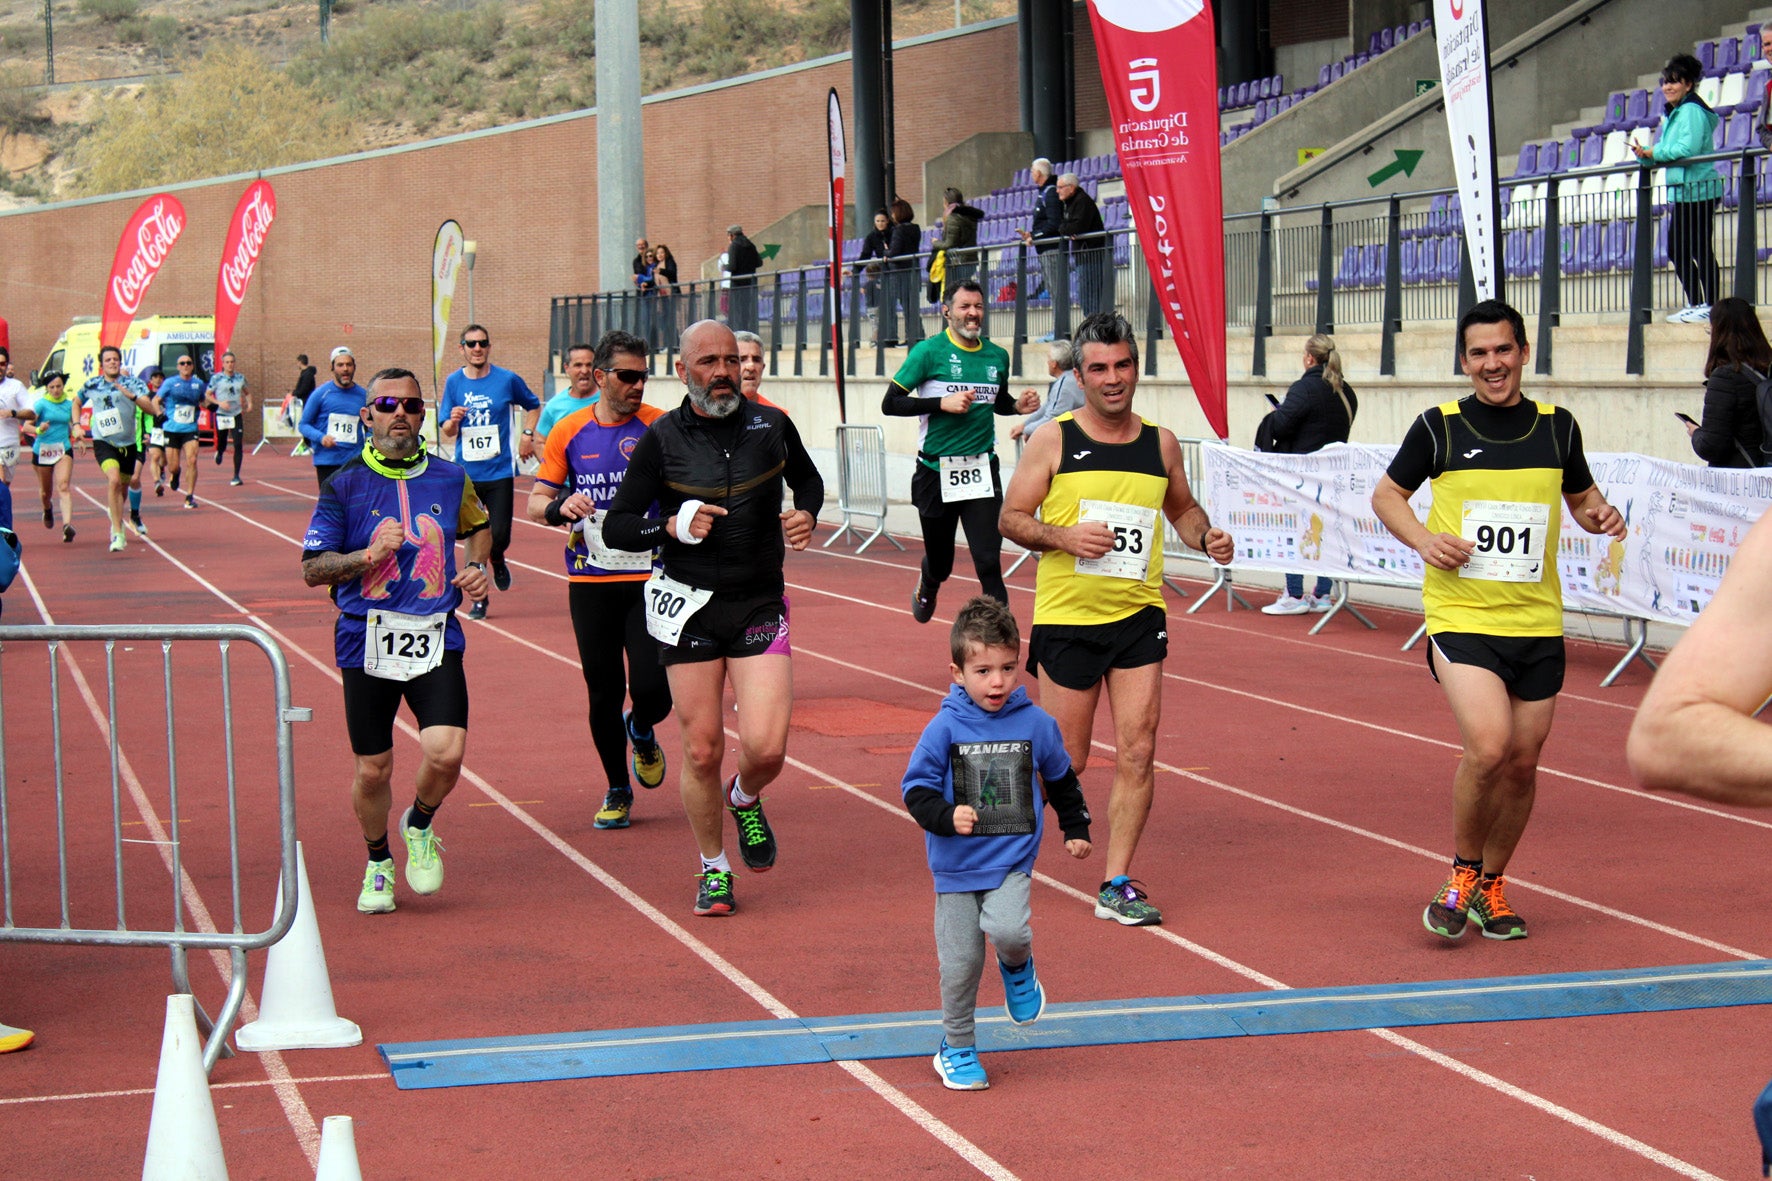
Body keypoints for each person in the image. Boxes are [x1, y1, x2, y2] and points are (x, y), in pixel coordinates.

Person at [1370, 300, 1626, 943]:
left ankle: (1492, 886)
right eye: (1479, 353)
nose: (1493, 364)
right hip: (1462, 616)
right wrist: (1426, 541)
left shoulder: (1557, 426)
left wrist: (1600, 514)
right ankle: (1460, 873)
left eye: (1503, 350)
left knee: (1521, 763)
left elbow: (1581, 497)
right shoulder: (1440, 427)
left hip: (1537, 621)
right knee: (1488, 747)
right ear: (1464, 360)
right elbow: (1386, 495)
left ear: (1523, 353)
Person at [1000, 311, 1234, 926]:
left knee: (1137, 749)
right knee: (1068, 761)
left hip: (1137, 614)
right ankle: (996, 828)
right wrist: (1063, 536)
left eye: (1122, 366)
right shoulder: (1051, 438)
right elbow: (1012, 518)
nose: (1112, 379)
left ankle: (1117, 882)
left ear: (1136, 368)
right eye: (1098, 368)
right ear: (1080, 375)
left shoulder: (1160, 443)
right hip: (1069, 618)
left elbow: (1181, 509)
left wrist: (1207, 535)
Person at [602, 319, 824, 917]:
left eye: (731, 360)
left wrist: (806, 512)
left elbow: (809, 480)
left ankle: (745, 797)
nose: (723, 372)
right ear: (683, 371)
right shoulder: (662, 438)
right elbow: (618, 525)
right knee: (701, 751)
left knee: (767, 746)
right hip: (688, 606)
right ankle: (714, 868)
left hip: (757, 602)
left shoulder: (771, 425)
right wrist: (670, 525)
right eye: (708, 362)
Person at [300, 368, 492, 914]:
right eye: (386, 403)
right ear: (368, 415)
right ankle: (378, 860)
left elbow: (478, 526)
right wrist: (366, 557)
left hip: (435, 633)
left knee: (446, 751)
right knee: (373, 768)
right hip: (367, 638)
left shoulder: (452, 478)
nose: (399, 412)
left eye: (410, 403)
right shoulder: (343, 484)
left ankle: (420, 823)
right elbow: (313, 569)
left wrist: (476, 565)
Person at [901, 596, 1091, 1091]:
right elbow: (914, 789)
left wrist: (1076, 828)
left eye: (1008, 667)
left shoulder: (1035, 724)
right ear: (958, 672)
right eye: (984, 670)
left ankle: (1018, 966)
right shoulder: (943, 727)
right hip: (955, 867)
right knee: (960, 963)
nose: (999, 681)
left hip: (1010, 858)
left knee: (1008, 930)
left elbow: (1062, 778)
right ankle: (957, 1046)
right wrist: (946, 815)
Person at [527, 330, 671, 832]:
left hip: (651, 577)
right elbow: (535, 501)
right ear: (602, 377)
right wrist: (557, 505)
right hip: (591, 581)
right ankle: (616, 786)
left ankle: (643, 727)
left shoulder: (661, 427)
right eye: (628, 377)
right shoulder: (569, 430)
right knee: (602, 690)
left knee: (655, 687)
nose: (638, 386)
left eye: (644, 376)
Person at [883, 280, 1034, 621]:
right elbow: (890, 403)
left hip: (981, 469)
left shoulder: (997, 355)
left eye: (978, 306)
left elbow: (997, 402)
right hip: (936, 472)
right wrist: (941, 404)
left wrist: (1018, 407)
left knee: (988, 561)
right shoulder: (928, 352)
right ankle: (928, 581)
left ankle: (1002, 641)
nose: (973, 314)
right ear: (947, 311)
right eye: (965, 306)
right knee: (942, 563)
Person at [439, 324, 541, 621]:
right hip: (467, 474)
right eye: (471, 344)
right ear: (462, 348)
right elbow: (446, 430)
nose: (477, 348)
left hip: (499, 471)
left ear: (488, 347)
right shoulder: (454, 382)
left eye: (482, 343)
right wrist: (454, 421)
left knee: (499, 536)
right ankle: (480, 599)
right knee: (474, 537)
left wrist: (526, 434)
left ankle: (497, 556)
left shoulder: (507, 379)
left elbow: (532, 406)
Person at [1258, 334, 1360, 615]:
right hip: (1333, 473)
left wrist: (1274, 414)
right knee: (1324, 531)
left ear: (1309, 358)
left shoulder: (1305, 388)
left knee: (1296, 529)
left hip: (1303, 474)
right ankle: (1323, 594)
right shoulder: (1346, 391)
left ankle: (1294, 594)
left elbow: (1281, 426)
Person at [1633, 53, 1722, 324]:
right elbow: (1666, 151)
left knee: (1697, 248)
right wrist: (1644, 155)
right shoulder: (1675, 112)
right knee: (1679, 249)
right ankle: (1698, 302)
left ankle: (1711, 304)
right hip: (1685, 191)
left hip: (1699, 190)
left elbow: (1686, 149)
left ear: (1688, 84)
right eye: (1665, 82)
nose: (1667, 87)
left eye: (1674, 82)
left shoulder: (1692, 110)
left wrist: (1653, 151)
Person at [77, 345, 162, 553]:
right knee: (113, 480)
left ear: (120, 362)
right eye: (108, 360)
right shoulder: (92, 384)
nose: (112, 362)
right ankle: (117, 532)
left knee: (122, 490)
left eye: (115, 359)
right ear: (102, 364)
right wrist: (76, 425)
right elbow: (76, 401)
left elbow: (151, 409)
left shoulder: (133, 383)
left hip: (128, 443)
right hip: (104, 441)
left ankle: (115, 517)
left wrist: (132, 396)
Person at [1685, 296, 1768, 468]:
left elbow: (1712, 446)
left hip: (1741, 480)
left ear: (1718, 333)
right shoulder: (1768, 367)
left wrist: (1696, 434)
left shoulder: (1725, 377)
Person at [299, 347, 368, 490]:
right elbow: (304, 425)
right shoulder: (320, 394)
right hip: (327, 462)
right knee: (331, 508)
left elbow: (372, 426)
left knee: (355, 506)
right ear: (332, 367)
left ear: (354, 367)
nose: (345, 369)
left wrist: (369, 441)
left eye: (349, 365)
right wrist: (321, 437)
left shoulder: (364, 396)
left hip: (354, 461)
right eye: (340, 365)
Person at [1016, 158, 1071, 335]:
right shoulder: (1044, 193)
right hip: (1044, 249)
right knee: (1053, 289)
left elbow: (1054, 223)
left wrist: (1035, 236)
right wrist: (1031, 235)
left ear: (1039, 173)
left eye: (1032, 171)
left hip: (1052, 248)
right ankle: (1058, 327)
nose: (1031, 174)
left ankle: (1060, 329)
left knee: (1057, 290)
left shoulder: (1051, 193)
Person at [1057, 172, 1112, 317]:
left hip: (1091, 256)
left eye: (1060, 187)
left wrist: (1068, 229)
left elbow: (1077, 227)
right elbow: (1062, 226)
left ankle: (1094, 329)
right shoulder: (1070, 203)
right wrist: (1067, 229)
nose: (1058, 191)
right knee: (1085, 296)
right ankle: (1092, 328)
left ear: (1071, 187)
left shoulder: (1082, 201)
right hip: (1083, 256)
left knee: (1090, 296)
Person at [28, 371, 74, 543]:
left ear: (63, 386)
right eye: (52, 387)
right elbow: (26, 426)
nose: (56, 390)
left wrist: (78, 434)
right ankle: (47, 509)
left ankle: (67, 526)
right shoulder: (40, 405)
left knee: (63, 486)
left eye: (59, 386)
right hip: (43, 451)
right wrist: (39, 429)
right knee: (46, 493)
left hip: (63, 448)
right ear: (47, 388)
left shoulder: (69, 404)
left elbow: (74, 423)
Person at [158, 354, 207, 510]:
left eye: (189, 363)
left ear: (192, 366)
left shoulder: (198, 384)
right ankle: (175, 473)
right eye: (182, 363)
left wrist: (215, 405)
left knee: (192, 460)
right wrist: (158, 413)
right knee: (173, 466)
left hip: (190, 429)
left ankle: (189, 496)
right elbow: (155, 400)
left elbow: (203, 400)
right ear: (178, 366)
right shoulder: (170, 383)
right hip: (172, 429)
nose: (186, 365)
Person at [1009, 339, 1082, 443]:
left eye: (1049, 359)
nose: (1047, 362)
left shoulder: (1064, 385)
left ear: (1054, 364)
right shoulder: (1070, 379)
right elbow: (1046, 408)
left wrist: (1026, 430)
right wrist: (1024, 425)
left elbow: (1053, 418)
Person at [535, 343, 601, 444]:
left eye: (589, 365)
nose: (584, 371)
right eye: (578, 365)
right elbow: (539, 442)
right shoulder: (554, 406)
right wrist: (553, 460)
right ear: (566, 368)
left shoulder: (608, 400)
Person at [208, 351, 251, 486]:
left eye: (232, 362)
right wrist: (219, 403)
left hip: (236, 413)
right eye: (227, 362)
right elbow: (207, 395)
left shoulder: (240, 378)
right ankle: (219, 452)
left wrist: (249, 403)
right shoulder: (217, 379)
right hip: (222, 414)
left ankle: (236, 475)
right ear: (223, 363)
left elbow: (247, 392)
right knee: (222, 441)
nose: (230, 365)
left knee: (238, 444)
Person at [887, 198, 925, 347]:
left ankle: (912, 337)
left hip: (901, 273)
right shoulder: (915, 228)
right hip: (913, 271)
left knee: (907, 306)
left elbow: (894, 251)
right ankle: (918, 334)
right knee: (912, 306)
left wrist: (885, 251)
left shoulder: (899, 230)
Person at [937, 187, 985, 301]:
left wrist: (935, 243)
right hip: (970, 259)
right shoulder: (969, 216)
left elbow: (950, 243)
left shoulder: (953, 218)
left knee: (955, 296)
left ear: (947, 202)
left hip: (957, 262)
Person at [725, 224, 762, 333]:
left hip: (737, 285)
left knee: (737, 312)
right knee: (747, 311)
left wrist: (725, 267)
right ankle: (748, 332)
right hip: (750, 283)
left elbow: (732, 266)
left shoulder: (734, 246)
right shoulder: (750, 245)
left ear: (732, 235)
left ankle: (739, 334)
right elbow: (759, 262)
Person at [0, 346, 29, 487]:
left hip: (9, 445)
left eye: (2, 364)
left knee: (5, 486)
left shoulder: (16, 386)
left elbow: (31, 412)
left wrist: (13, 413)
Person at [733, 330, 782, 410]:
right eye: (742, 359)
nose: (751, 367)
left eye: (756, 360)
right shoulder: (710, 413)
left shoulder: (777, 417)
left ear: (763, 368)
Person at [654, 244, 680, 349]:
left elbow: (672, 274)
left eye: (662, 252)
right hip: (662, 297)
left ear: (666, 253)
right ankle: (666, 344)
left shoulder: (669, 262)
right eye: (658, 253)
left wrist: (662, 271)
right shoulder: (657, 265)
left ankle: (673, 344)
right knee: (664, 320)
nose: (660, 255)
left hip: (671, 295)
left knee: (671, 320)